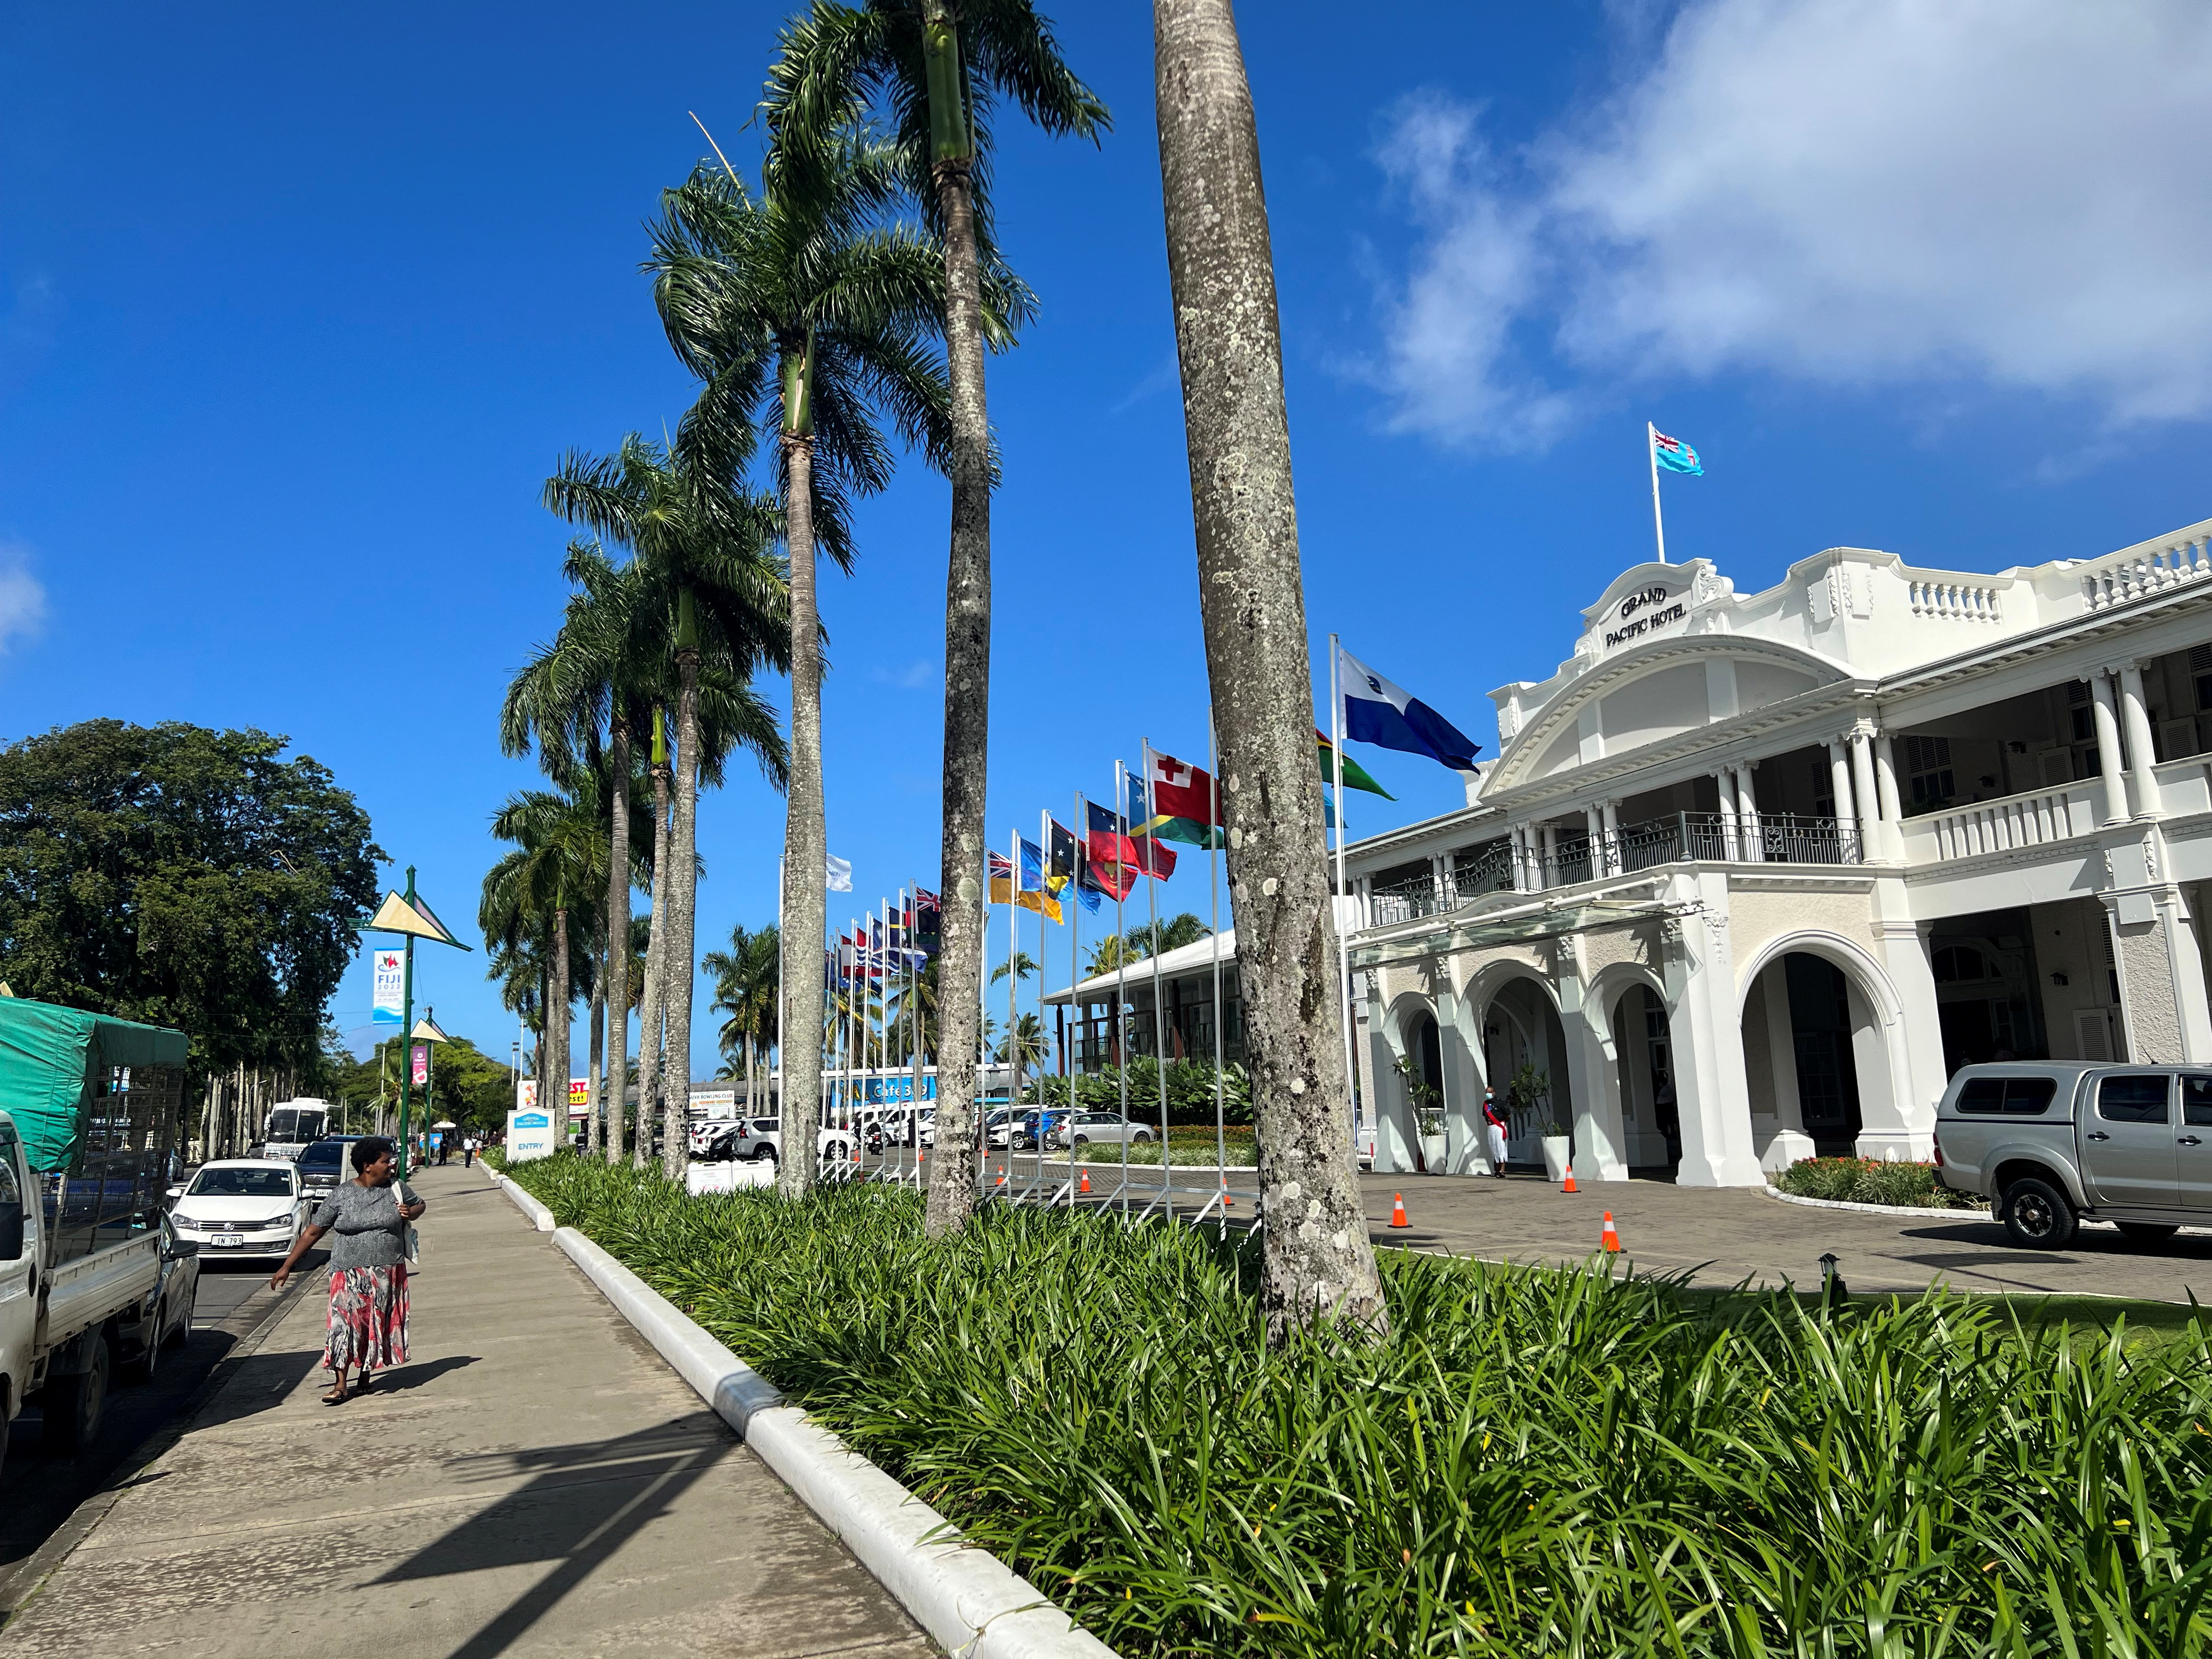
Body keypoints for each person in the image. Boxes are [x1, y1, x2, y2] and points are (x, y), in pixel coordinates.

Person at [268, 1136, 424, 1404]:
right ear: (367, 1166)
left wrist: (411, 1211)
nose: (391, 1165)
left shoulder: (397, 1188)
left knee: (373, 1326)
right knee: (342, 1326)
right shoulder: (342, 1194)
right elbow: (314, 1231)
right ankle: (341, 1384)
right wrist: (286, 1266)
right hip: (346, 1272)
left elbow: (420, 1204)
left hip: (387, 1271)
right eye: (386, 1161)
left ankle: (365, 1377)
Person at [1482, 1088, 1510, 1176]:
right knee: (1493, 1148)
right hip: (1490, 1127)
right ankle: (1496, 1170)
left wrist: (1502, 1123)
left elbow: (1508, 1115)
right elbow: (1485, 1115)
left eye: (1490, 1092)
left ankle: (1502, 1170)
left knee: (1501, 1147)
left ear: (1493, 1093)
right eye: (1487, 1092)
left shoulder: (1500, 1103)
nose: (1488, 1094)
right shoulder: (1486, 1104)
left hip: (1499, 1126)